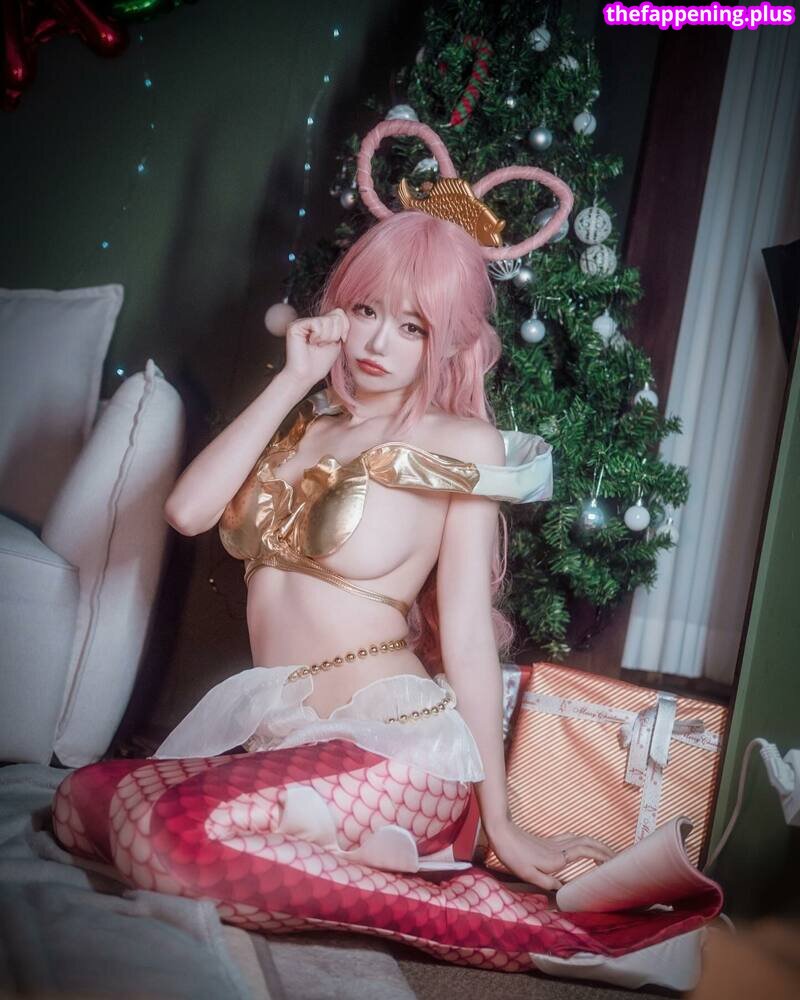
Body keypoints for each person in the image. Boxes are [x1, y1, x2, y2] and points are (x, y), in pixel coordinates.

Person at [51, 123, 721, 975]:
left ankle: (501, 919)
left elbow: (468, 638)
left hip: (398, 752)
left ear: (449, 341)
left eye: (411, 327)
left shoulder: (461, 441)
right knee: (81, 802)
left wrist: (502, 819)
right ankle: (343, 861)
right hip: (290, 747)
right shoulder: (305, 421)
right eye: (367, 312)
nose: (375, 344)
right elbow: (187, 511)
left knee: (168, 838)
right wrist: (294, 378)